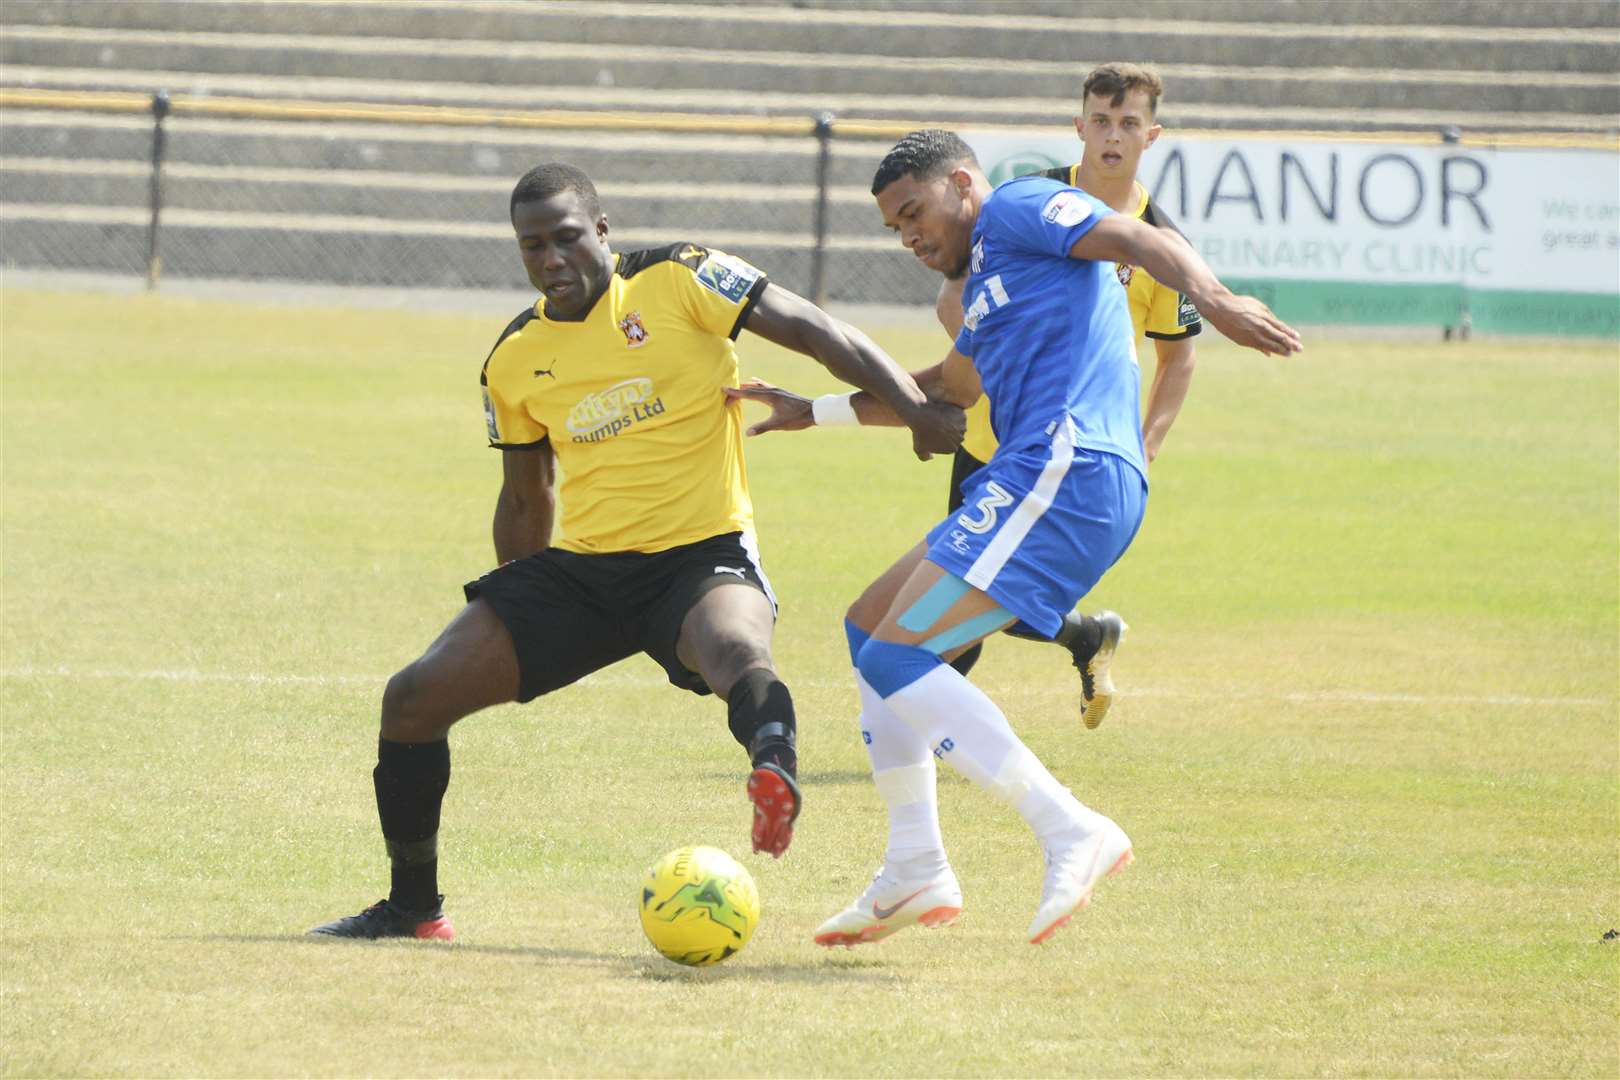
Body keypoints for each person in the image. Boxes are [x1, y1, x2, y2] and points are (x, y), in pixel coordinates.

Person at [309, 162, 962, 941]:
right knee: (413, 698)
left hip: (702, 551)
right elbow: (526, 496)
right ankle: (413, 908)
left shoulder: (681, 277)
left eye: (566, 239)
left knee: (735, 648)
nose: (551, 260)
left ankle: (774, 768)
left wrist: (915, 408)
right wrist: (520, 610)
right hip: (585, 572)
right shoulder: (514, 358)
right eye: (532, 247)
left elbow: (818, 330)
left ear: (604, 232)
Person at [736, 130, 1299, 947]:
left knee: (899, 658)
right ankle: (914, 865)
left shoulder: (1020, 207)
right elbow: (943, 394)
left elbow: (1143, 238)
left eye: (915, 212)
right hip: (1036, 474)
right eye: (895, 228)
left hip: (1069, 468)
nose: (909, 237)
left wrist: (1213, 300)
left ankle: (1070, 828)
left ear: (963, 183)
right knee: (869, 629)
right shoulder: (987, 284)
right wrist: (815, 409)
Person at [736, 64, 1200, 732]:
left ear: (1150, 136)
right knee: (907, 628)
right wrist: (821, 409)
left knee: (920, 640)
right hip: (989, 444)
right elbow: (956, 366)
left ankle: (1045, 812)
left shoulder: (1148, 239)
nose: (1112, 136)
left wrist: (1147, 440)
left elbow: (1176, 353)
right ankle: (1050, 667)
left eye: (1128, 124)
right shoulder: (1021, 210)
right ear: (1080, 126)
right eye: (1101, 120)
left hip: (1067, 458)